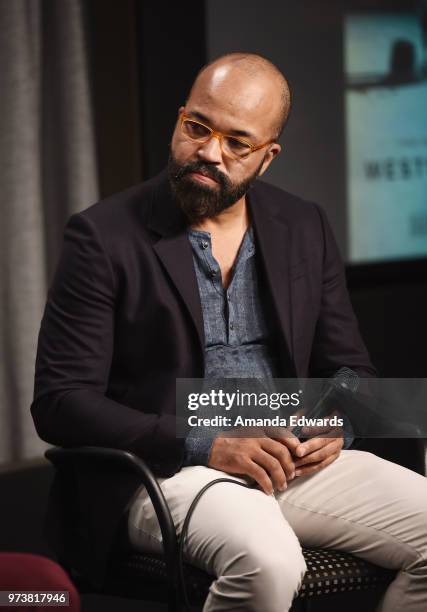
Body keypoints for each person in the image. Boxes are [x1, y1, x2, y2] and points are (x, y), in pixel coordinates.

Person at [31, 53, 427, 611]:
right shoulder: (101, 237)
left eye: (237, 142)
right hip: (165, 468)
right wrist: (208, 441)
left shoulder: (302, 225)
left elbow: (351, 370)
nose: (209, 152)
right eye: (198, 127)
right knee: (269, 562)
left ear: (267, 158)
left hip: (287, 460)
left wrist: (335, 420)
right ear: (179, 118)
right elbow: (60, 403)